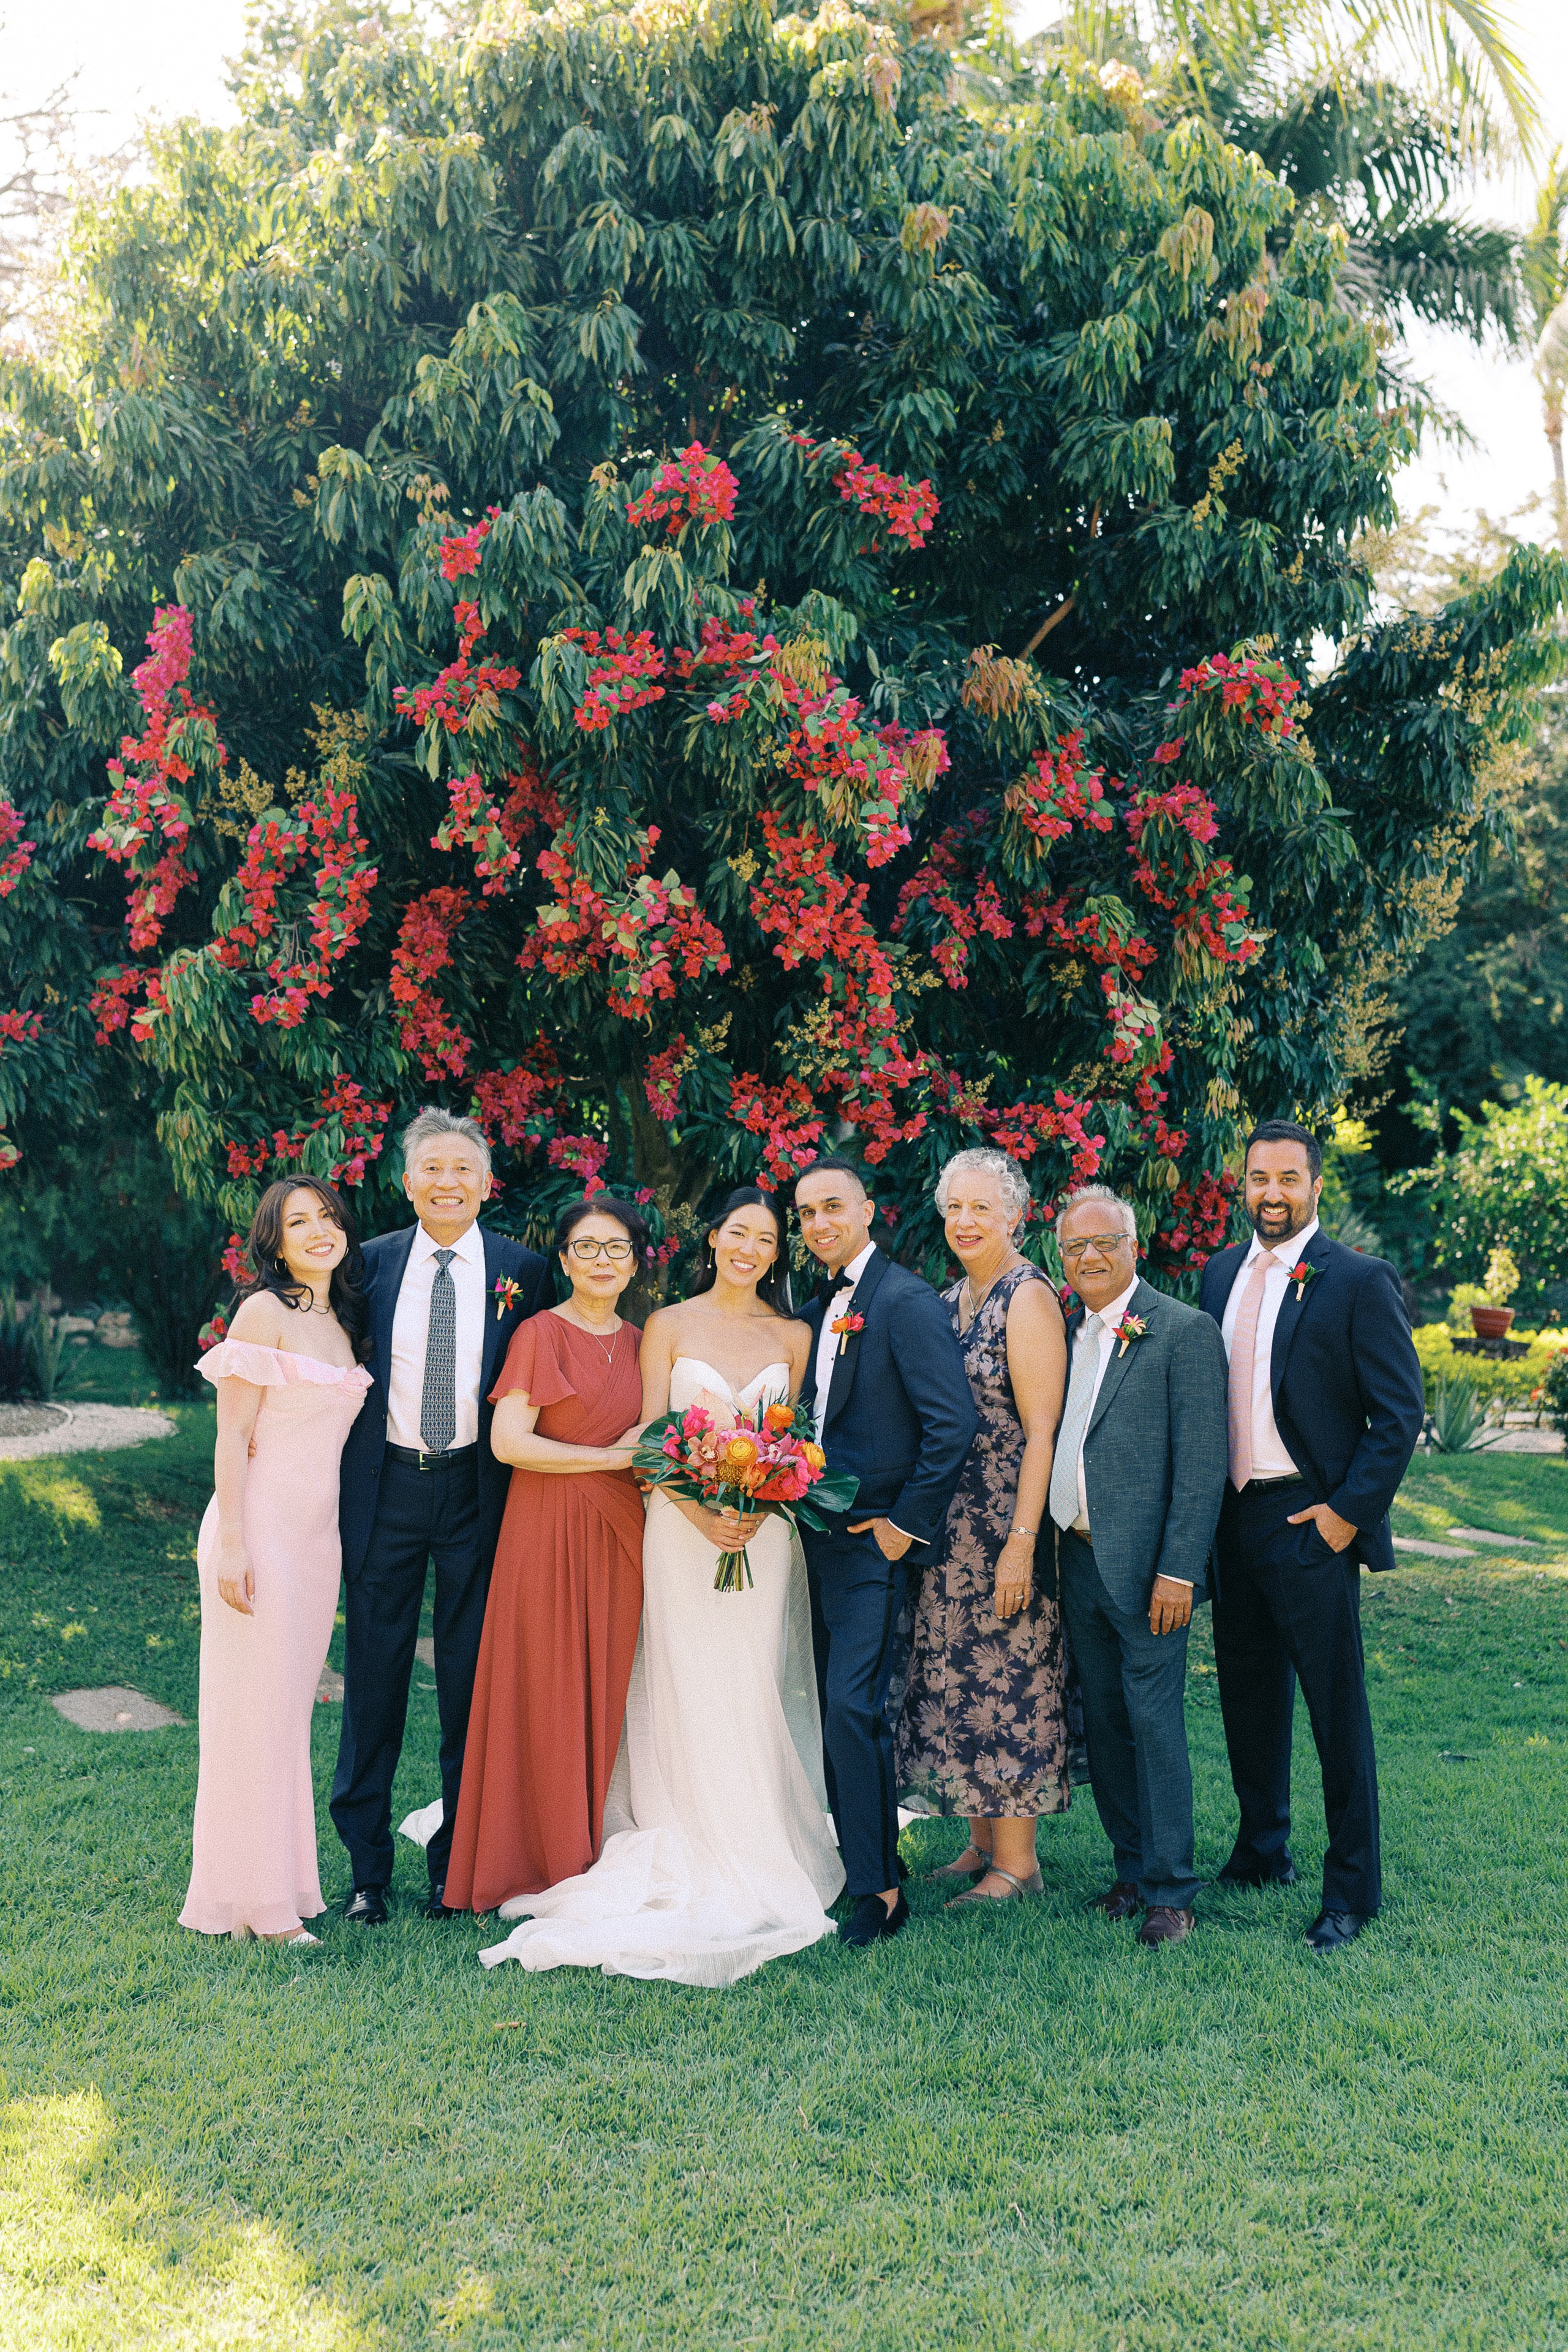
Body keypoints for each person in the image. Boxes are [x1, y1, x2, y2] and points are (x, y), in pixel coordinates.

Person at [478, 1184, 846, 1986]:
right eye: (736, 1233)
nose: (749, 1248)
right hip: (681, 1535)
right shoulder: (670, 1327)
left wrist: (761, 1502)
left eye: (765, 1237)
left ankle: (755, 1838)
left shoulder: (794, 1334)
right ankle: (684, 1827)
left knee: (748, 1685)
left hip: (763, 1534)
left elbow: (798, 1435)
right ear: (711, 1239)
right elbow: (649, 1438)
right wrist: (701, 1510)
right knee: (686, 1683)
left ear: (776, 1251)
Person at [1199, 1118, 1424, 1952]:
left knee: (1336, 1712)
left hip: (1310, 1523)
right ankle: (1263, 1850)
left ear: (1315, 1186)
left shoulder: (1358, 1281)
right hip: (1235, 1520)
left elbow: (1398, 1417)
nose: (1272, 1194)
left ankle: (1353, 1889)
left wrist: (1342, 1516)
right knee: (1248, 1698)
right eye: (1259, 1179)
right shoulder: (1220, 1274)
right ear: (1244, 1183)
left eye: (1288, 1179)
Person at [330, 1110, 549, 1924]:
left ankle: (456, 1868)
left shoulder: (524, 1272)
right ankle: (366, 1872)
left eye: (465, 1169)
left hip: (477, 1493)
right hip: (386, 1488)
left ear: (487, 1183)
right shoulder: (367, 1266)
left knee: (470, 1684)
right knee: (374, 1681)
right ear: (407, 1181)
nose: (449, 1183)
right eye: (434, 1169)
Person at [440, 1196, 647, 1913]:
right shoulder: (538, 1332)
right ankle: (536, 1855)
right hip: (545, 1529)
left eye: (615, 1248)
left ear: (634, 1261)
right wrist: (609, 1457)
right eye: (586, 1247)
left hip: (620, 1535)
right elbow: (509, 1443)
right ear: (562, 1259)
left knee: (605, 1684)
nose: (601, 1261)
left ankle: (591, 1838)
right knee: (545, 1686)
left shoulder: (646, 1342)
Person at [181, 1177, 373, 1943]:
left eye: (326, 1216)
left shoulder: (339, 1316)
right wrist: (232, 1540)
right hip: (256, 1530)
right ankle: (257, 1909)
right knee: (251, 1716)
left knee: (285, 1717)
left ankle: (283, 1886)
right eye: (299, 1222)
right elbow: (232, 1435)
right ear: (276, 1240)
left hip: (313, 1541)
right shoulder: (263, 1312)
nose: (319, 1231)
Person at [793, 1156, 979, 1948]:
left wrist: (906, 1525)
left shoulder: (902, 1301)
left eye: (833, 1206)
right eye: (806, 1213)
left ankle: (881, 1889)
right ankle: (850, 1858)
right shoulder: (813, 1309)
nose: (820, 1223)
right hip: (807, 1539)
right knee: (827, 1707)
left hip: (872, 1544)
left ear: (868, 1210)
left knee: (853, 1705)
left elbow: (954, 1425)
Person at [1050, 1184, 1229, 1948]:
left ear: (1133, 1246)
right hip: (1077, 1558)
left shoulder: (1182, 1332)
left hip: (1150, 1570)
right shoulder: (1068, 1333)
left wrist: (1179, 1570)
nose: (1089, 1257)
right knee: (1107, 1723)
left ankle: (1171, 1891)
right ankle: (1130, 1871)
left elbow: (1201, 1464)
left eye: (1103, 1243)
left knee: (1153, 1724)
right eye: (1073, 1248)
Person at [896, 1148, 1071, 1904]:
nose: (964, 1222)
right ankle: (978, 1843)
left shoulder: (1025, 1297)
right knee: (961, 1681)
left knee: (1012, 1683)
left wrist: (1021, 1546)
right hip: (952, 1532)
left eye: (981, 1209)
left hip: (1006, 1523)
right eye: (954, 1209)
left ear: (1013, 1216)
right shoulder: (947, 1301)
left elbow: (1042, 1431)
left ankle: (1019, 1864)